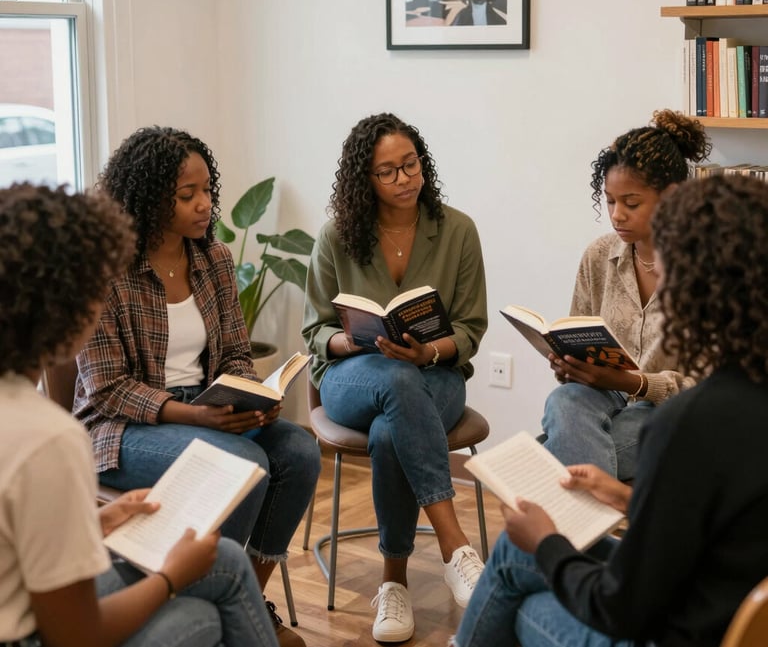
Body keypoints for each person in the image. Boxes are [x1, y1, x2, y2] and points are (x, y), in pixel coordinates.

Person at [454, 173, 768, 647]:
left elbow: (619, 608)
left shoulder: (691, 424)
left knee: (525, 582)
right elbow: (730, 531)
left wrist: (548, 543)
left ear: (694, 288)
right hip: (734, 613)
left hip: (674, 632)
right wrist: (628, 499)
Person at [0, 183, 280, 647]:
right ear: (66, 307)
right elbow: (75, 635)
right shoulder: (47, 438)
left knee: (221, 572)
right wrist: (171, 577)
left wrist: (95, 522)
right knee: (201, 612)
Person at [72, 126, 320, 647]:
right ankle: (204, 597)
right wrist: (194, 416)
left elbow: (233, 353)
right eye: (187, 196)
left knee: (298, 449)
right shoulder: (105, 271)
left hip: (207, 410)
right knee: (244, 467)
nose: (205, 204)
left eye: (208, 190)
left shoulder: (214, 260)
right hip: (121, 427)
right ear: (148, 198)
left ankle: (248, 598)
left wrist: (254, 399)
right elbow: (107, 388)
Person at [302, 112, 488, 643]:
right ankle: (455, 547)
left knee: (393, 423)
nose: (405, 179)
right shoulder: (336, 236)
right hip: (351, 376)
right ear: (364, 180)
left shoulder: (457, 230)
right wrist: (356, 340)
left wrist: (428, 349)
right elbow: (314, 330)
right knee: (392, 384)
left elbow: (472, 327)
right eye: (389, 171)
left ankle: (394, 582)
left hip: (435, 374)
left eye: (411, 165)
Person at [540, 109, 711, 480]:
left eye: (631, 203)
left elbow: (714, 389)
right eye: (610, 201)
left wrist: (633, 383)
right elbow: (576, 336)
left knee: (553, 456)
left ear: (671, 196)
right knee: (564, 399)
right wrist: (569, 367)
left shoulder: (707, 265)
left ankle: (576, 521)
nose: (617, 215)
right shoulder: (599, 255)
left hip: (672, 412)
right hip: (602, 399)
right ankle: (595, 531)